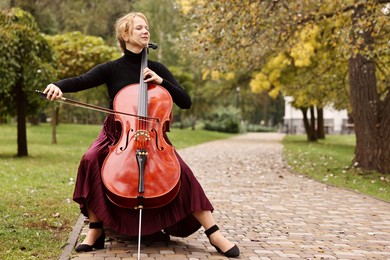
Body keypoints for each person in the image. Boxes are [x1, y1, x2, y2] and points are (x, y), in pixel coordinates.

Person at [43, 12, 239, 258]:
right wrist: (57, 86)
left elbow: (185, 101)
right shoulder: (112, 68)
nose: (146, 31)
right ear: (125, 35)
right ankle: (95, 230)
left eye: (147, 28)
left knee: (183, 173)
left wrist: (162, 81)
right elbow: (82, 80)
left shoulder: (156, 68)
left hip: (153, 136)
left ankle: (214, 232)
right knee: (90, 159)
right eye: (139, 28)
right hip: (118, 134)